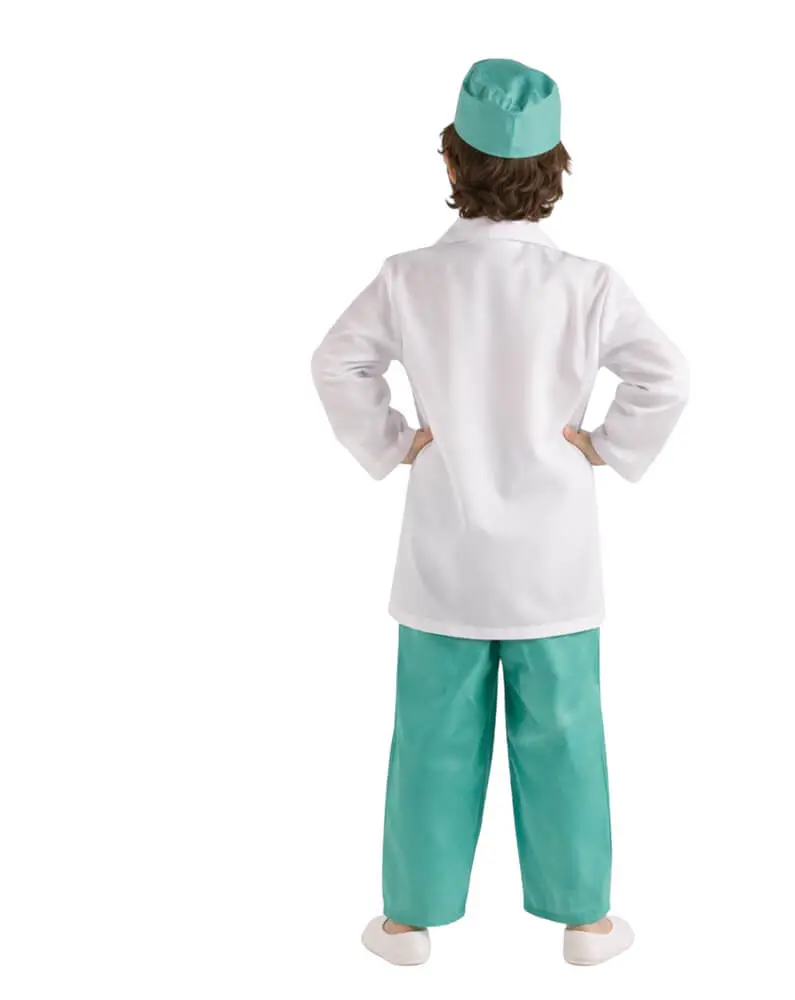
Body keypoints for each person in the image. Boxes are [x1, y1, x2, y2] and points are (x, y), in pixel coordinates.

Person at [311, 57, 689, 966]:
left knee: (431, 736)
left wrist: (393, 441)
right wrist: (607, 444)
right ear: (557, 168)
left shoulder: (408, 278)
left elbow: (336, 363)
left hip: (444, 556)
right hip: (552, 563)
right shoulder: (588, 284)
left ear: (451, 163)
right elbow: (666, 378)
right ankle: (586, 922)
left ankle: (407, 922)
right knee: (564, 734)